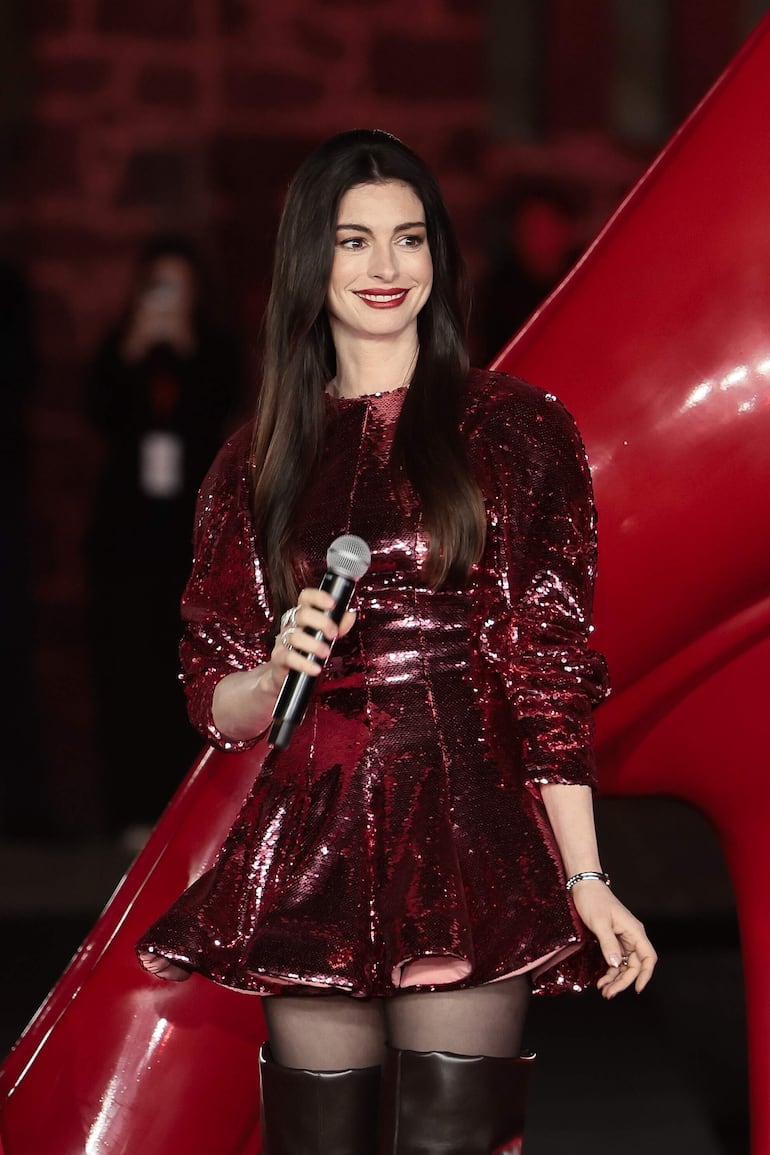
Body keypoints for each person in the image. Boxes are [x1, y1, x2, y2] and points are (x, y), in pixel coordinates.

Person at [136, 130, 657, 1154]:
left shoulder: (512, 429)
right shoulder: (256, 460)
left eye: (408, 238)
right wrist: (274, 669)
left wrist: (585, 878)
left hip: (465, 836)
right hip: (311, 841)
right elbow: (213, 694)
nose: (386, 266)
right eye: (354, 241)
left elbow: (546, 668)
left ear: (436, 255)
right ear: (310, 261)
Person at [84, 233, 245, 842]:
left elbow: (221, 409)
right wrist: (134, 350)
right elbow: (98, 412)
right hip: (128, 535)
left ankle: (185, 811)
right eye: (158, 284)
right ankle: (130, 808)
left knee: (186, 663)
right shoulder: (123, 347)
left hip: (187, 533)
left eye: (179, 285)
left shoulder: (210, 348)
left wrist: (184, 349)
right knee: (127, 666)